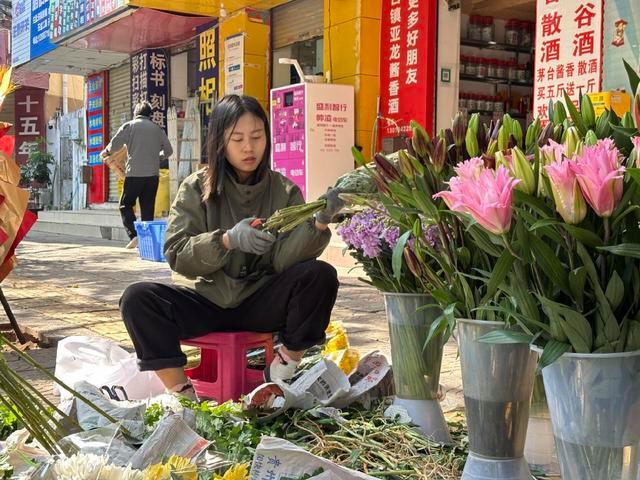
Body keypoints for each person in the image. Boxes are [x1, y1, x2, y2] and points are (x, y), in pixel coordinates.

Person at [119, 95, 344, 399]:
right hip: (207, 302)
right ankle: (181, 392)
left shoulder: (285, 191)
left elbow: (283, 262)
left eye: (257, 136)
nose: (248, 147)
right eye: (237, 139)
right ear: (219, 141)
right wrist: (226, 240)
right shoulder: (196, 187)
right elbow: (177, 254)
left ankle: (280, 371)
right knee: (137, 299)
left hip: (261, 304)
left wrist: (318, 223)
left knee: (321, 275)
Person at [100, 101, 173, 249]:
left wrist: (106, 152)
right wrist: (157, 157)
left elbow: (115, 144)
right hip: (152, 176)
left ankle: (134, 236)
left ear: (136, 113)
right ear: (149, 114)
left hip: (134, 174)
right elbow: (169, 151)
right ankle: (146, 242)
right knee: (147, 208)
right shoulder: (157, 129)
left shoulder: (130, 125)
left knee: (125, 205)